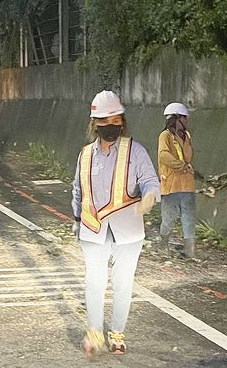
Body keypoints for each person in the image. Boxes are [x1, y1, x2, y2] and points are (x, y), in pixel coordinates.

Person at [71, 90, 160, 357]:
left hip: (128, 231)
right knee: (94, 282)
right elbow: (77, 190)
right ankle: (95, 332)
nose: (111, 125)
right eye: (105, 120)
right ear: (94, 123)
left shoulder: (136, 151)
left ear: (122, 121)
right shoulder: (85, 155)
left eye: (115, 119)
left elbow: (150, 181)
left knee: (122, 284)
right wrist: (77, 220)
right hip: (92, 229)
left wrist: (150, 196)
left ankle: (117, 333)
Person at [156, 102, 196, 258]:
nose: (186, 121)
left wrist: (187, 167)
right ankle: (163, 245)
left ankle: (190, 251)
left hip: (187, 184)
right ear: (176, 118)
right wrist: (181, 165)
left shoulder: (187, 136)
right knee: (169, 217)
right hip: (171, 185)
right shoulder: (165, 136)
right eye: (184, 118)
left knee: (188, 217)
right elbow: (163, 155)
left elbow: (187, 157)